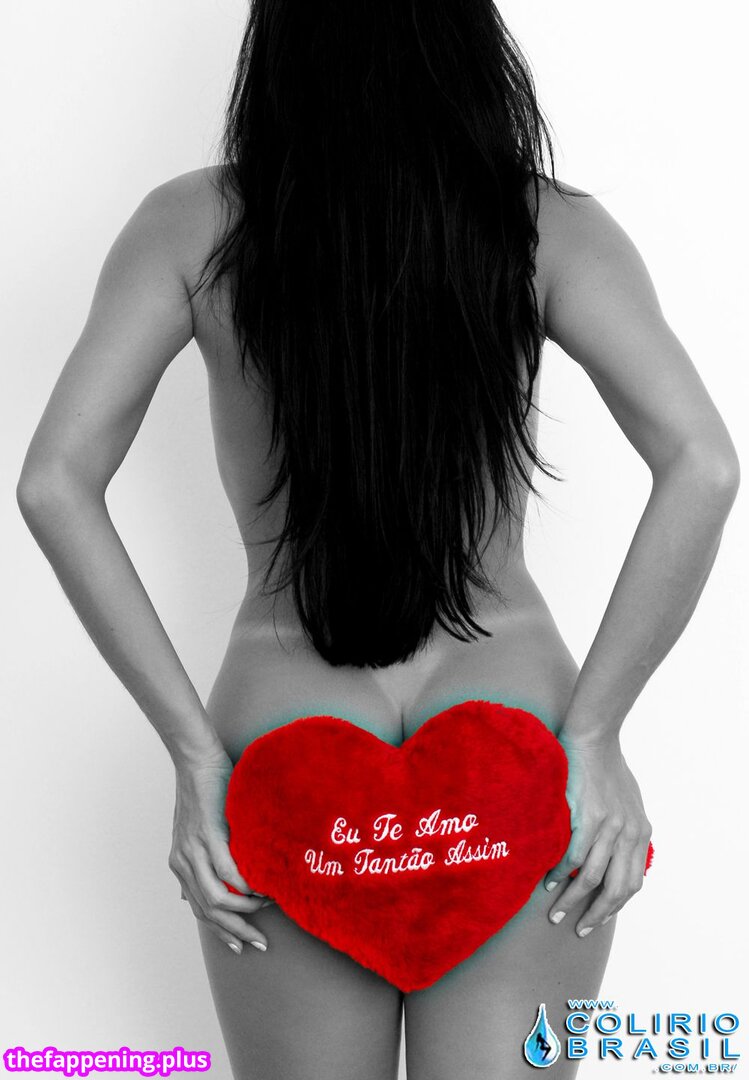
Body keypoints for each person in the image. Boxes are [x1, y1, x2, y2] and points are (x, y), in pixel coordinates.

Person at [16, 1, 740, 1077]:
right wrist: (592, 737)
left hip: (286, 732)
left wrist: (194, 754)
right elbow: (702, 461)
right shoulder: (547, 226)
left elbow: (54, 481)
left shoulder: (190, 226)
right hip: (512, 728)